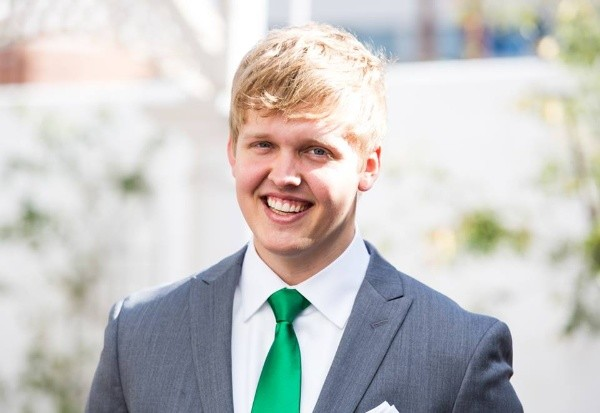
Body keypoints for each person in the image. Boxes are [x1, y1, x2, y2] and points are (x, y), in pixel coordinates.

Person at [86, 23, 523, 413]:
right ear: (232, 153)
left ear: (368, 165)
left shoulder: (457, 353)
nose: (284, 176)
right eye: (262, 145)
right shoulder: (139, 335)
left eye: (316, 150)